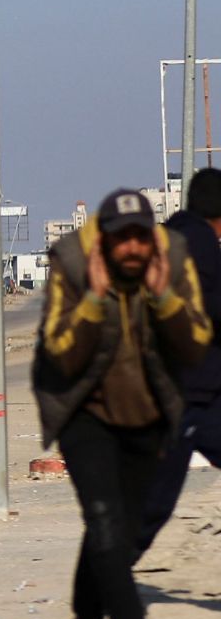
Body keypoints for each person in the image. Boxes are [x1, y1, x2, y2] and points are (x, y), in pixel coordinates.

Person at [35, 188, 211, 619]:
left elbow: (196, 342)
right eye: (122, 240)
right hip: (84, 415)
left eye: (141, 239)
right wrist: (93, 298)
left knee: (118, 532)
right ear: (105, 243)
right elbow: (61, 354)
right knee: (107, 524)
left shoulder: (174, 259)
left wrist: (163, 297)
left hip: (149, 417)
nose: (132, 249)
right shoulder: (70, 263)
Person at [137, 167, 221, 556]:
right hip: (184, 393)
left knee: (153, 503)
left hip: (189, 389)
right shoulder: (199, 243)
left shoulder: (172, 237)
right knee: (153, 504)